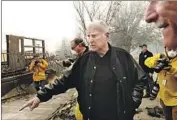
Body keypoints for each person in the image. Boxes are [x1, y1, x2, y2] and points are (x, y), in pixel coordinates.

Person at [20, 20, 147, 120]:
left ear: (107, 36)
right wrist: (40, 96)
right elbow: (64, 81)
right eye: (88, 36)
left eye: (94, 36)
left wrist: (132, 103)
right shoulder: (84, 61)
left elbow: (141, 79)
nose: (90, 40)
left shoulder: (123, 57)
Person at [144, 1, 177, 120]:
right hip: (164, 98)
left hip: (175, 100)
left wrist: (171, 69)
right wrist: (156, 62)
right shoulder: (162, 56)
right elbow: (147, 61)